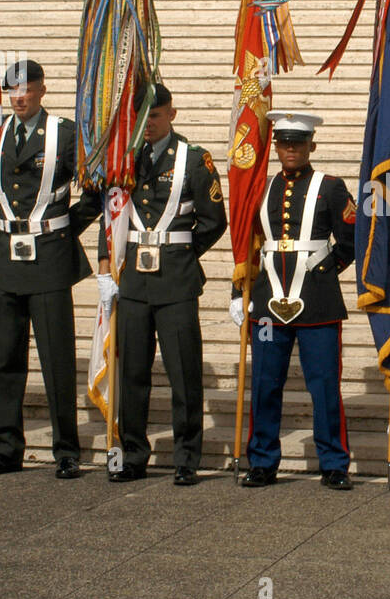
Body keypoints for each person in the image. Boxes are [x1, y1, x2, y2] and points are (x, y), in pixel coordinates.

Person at [0, 61, 101, 480]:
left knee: (56, 358)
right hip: (7, 254)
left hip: (48, 256)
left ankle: (66, 450)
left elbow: (95, 190)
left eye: (26, 88)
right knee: (6, 358)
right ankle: (6, 447)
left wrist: (64, 228)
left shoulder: (64, 131)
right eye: (12, 90)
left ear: (43, 89)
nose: (19, 96)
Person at [98, 83, 227, 486]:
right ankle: (133, 454)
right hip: (134, 280)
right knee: (132, 373)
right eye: (140, 116)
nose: (147, 124)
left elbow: (213, 220)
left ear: (172, 113)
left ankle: (186, 457)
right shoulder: (124, 158)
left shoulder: (194, 159)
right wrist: (106, 268)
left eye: (154, 115)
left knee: (183, 372)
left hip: (175, 281)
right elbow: (111, 215)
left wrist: (181, 255)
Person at [233, 113, 357, 490]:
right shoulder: (259, 188)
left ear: (311, 146)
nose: (291, 149)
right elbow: (249, 242)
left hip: (317, 305)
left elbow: (351, 240)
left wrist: (324, 272)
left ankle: (334, 462)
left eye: (298, 143)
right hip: (269, 303)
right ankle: (262, 460)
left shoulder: (332, 187)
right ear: (275, 146)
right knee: (265, 382)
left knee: (323, 385)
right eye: (284, 143)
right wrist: (239, 291)